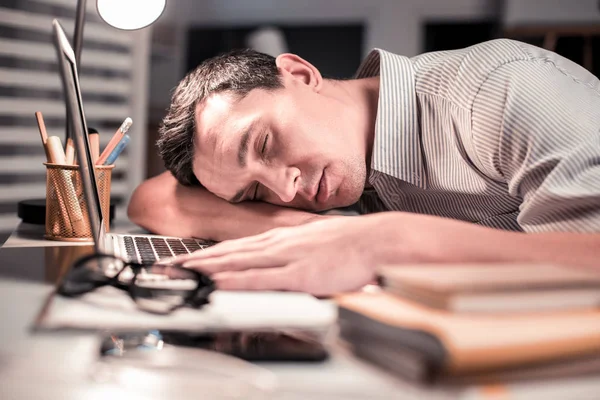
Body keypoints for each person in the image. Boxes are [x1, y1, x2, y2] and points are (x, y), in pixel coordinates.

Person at [128, 39, 600, 296]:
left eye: (265, 144)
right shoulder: (347, 159)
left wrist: (388, 241)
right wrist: (305, 232)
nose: (285, 188)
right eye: (255, 194)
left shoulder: (500, 91)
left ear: (298, 74)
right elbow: (151, 197)